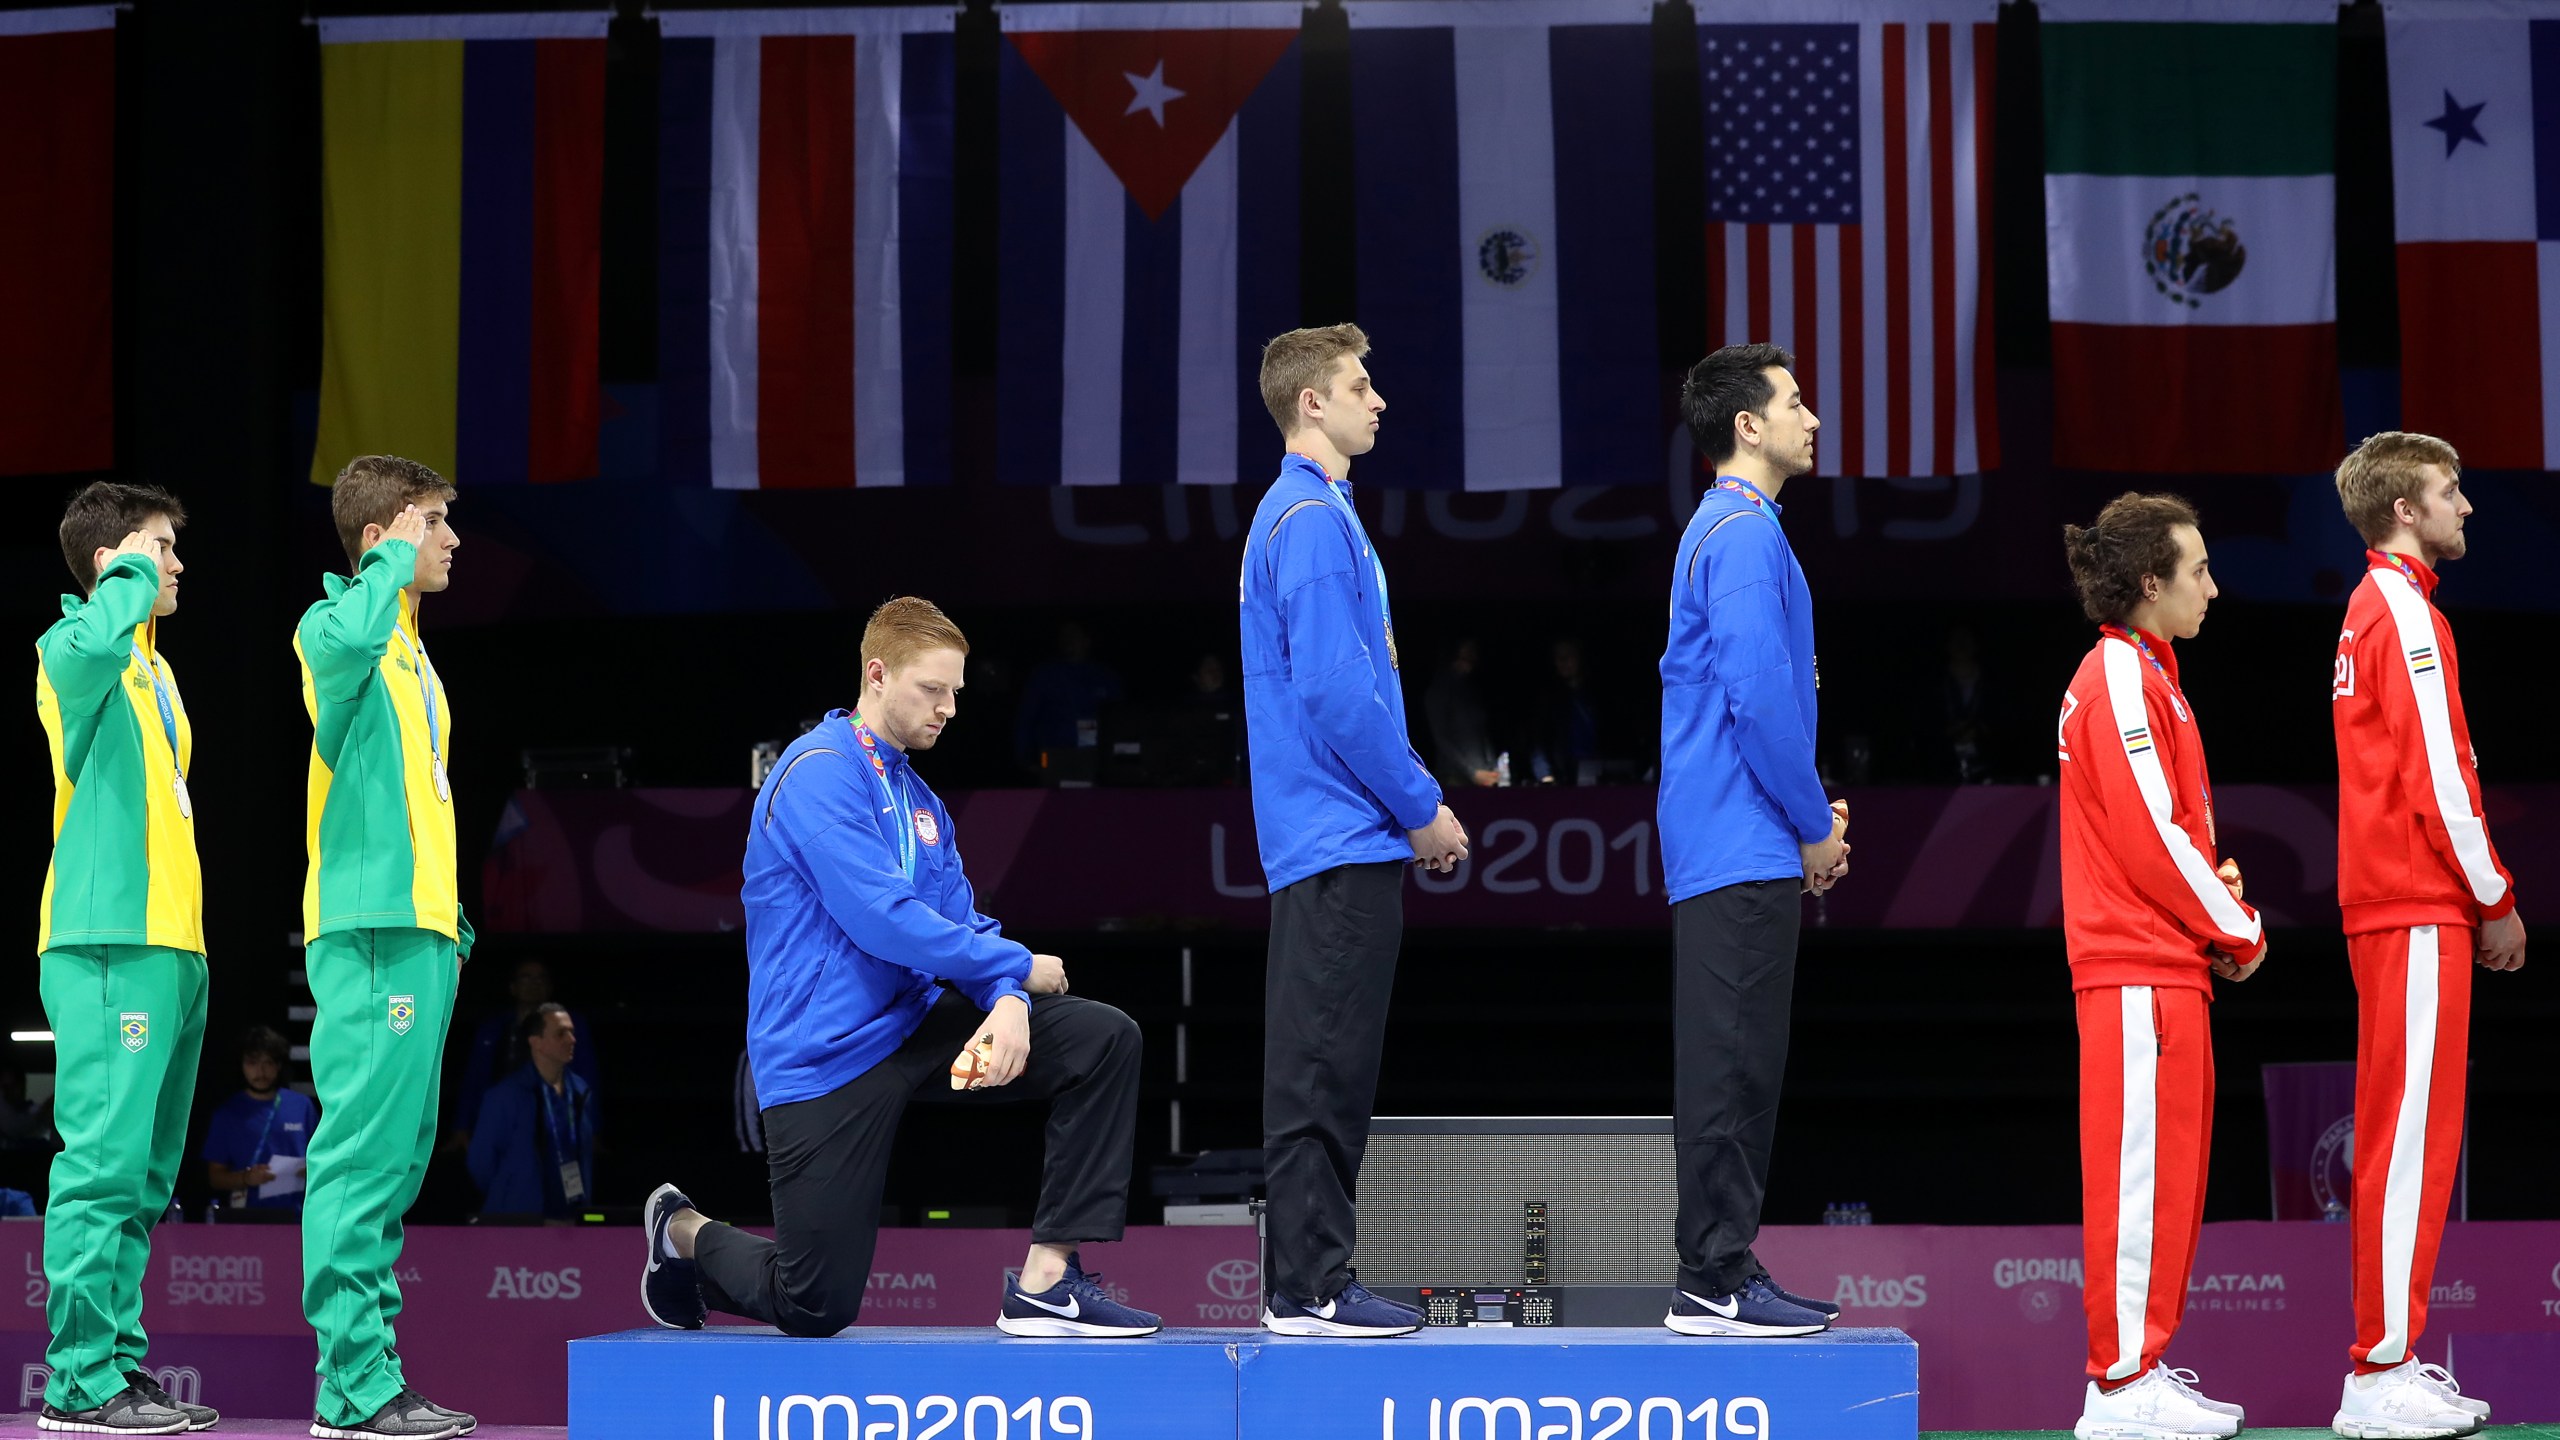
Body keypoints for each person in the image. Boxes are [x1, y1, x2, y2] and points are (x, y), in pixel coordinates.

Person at [641, 597, 1158, 1339]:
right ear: (877, 675)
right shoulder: (815, 774)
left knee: (1103, 1039)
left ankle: (1049, 1281)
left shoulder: (921, 802)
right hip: (824, 1057)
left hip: (915, 1025)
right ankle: (684, 1232)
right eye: (932, 690)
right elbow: (882, 920)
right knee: (813, 1305)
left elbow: (960, 923)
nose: (949, 709)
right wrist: (1018, 966)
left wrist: (1007, 996)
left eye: (956, 694)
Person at [1240, 323, 1468, 1338]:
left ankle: (1307, 1280)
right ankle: (1311, 1285)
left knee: (1323, 1063)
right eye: (1359, 386)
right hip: (1342, 835)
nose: (1379, 401)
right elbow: (1338, 691)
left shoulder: (1315, 514)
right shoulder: (1309, 519)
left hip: (1333, 837)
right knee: (1323, 1067)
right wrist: (1421, 805)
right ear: (1311, 405)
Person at [2055, 493, 2264, 1439]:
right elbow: (2150, 842)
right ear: (2152, 581)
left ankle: (2138, 1367)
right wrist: (2239, 929)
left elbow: (2174, 834)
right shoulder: (2120, 677)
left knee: (2167, 1179)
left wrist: (2209, 908)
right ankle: (2120, 1381)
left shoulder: (2149, 674)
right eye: (2201, 570)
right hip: (2137, 967)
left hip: (2161, 965)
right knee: (2139, 1179)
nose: (2215, 588)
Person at [2328, 435, 2522, 1439]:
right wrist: (2494, 895)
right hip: (2413, 900)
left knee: (2415, 1135)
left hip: (2407, 902)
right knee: (2406, 1139)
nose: (2467, 508)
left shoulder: (2392, 607)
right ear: (2404, 507)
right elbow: (2440, 775)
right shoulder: (2399, 610)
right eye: (2451, 492)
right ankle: (2378, 1368)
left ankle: (2391, 1355)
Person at [1656, 344, 1847, 1339]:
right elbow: (1759, 697)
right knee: (1730, 1069)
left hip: (1746, 838)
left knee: (1744, 1068)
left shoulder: (1743, 531)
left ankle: (1719, 1267)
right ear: (1745, 426)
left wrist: (1803, 818)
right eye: (1793, 401)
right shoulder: (1735, 533)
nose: (1810, 418)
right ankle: (1713, 1279)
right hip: (1738, 843)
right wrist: (1812, 824)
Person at [32, 480, 219, 1433]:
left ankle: (117, 1363)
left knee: (143, 1180)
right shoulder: (73, 650)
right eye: (158, 547)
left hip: (169, 947)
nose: (175, 563)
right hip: (108, 941)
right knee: (102, 1167)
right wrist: (118, 581)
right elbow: (93, 640)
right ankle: (76, 1381)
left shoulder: (152, 670)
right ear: (112, 563)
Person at [295, 455, 475, 1440]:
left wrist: (450, 920)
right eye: (435, 523)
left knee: (394, 1162)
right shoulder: (335, 628)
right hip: (368, 936)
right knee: (360, 1161)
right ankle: (350, 1391)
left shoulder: (405, 650)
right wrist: (384, 558)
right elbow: (357, 620)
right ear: (388, 533)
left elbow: (421, 804)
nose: (450, 542)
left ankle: (373, 1377)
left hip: (417, 932)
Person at [449, 957, 598, 1151]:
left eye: (540, 979)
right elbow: (474, 1078)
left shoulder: (570, 1025)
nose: (533, 984)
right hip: (502, 1121)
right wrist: (462, 1126)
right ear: (513, 987)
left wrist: (592, 1129)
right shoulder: (493, 1029)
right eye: (526, 978)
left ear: (549, 986)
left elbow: (587, 1075)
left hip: (555, 1122)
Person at [467, 1004, 597, 1219]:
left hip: (572, 1219)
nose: (572, 1040)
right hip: (519, 1222)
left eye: (572, 1032)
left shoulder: (580, 1091)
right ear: (536, 1042)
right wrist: (511, 1195)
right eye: (561, 1033)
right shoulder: (504, 1096)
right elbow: (481, 1163)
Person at [203, 1025, 320, 1213]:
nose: (261, 1071)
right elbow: (215, 1177)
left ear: (279, 1065)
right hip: (245, 1218)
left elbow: (322, 1156)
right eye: (253, 1062)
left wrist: (313, 1170)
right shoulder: (227, 1113)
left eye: (269, 1062)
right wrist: (246, 1178)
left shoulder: (301, 1105)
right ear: (241, 1065)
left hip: (299, 1214)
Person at [1424, 638, 1500, 789]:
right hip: (1455, 778)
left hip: (1484, 774)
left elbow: (1482, 733)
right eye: (1465, 655)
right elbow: (1441, 739)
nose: (1470, 660)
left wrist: (1492, 766)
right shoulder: (1439, 690)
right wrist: (1472, 773)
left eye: (1473, 655)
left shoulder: (1471, 690)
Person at [1530, 638, 1601, 785]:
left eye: (1569, 655)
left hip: (1598, 772)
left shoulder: (1596, 694)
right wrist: (1545, 775)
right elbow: (1539, 740)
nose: (1563, 661)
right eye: (1558, 657)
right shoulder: (1548, 699)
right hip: (1563, 777)